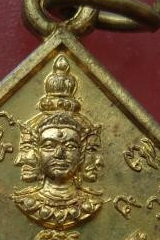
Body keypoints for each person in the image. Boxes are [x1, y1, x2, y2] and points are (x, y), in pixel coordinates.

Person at [12, 54, 103, 229]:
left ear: (83, 152)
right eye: (48, 145)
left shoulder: (92, 204)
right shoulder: (25, 202)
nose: (59, 154)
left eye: (70, 146)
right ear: (35, 151)